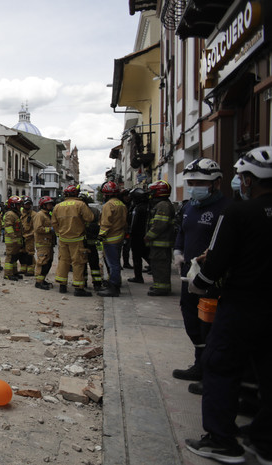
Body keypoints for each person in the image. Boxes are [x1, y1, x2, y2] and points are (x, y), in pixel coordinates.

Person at [184, 147, 272, 463]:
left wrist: (198, 283)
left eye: (241, 176)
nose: (240, 182)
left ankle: (221, 440)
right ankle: (264, 440)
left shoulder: (236, 212)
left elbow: (217, 261)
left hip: (241, 306)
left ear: (249, 179)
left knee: (220, 366)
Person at [171, 158, 231, 394]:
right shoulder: (189, 207)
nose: (194, 186)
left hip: (213, 279)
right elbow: (182, 233)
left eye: (199, 182)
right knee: (191, 319)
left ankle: (211, 372)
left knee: (211, 324)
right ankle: (199, 363)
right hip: (190, 276)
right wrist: (178, 251)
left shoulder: (225, 209)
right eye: (191, 182)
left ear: (215, 183)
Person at [51, 184, 95, 296]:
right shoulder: (80, 204)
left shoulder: (58, 206)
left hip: (63, 239)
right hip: (77, 239)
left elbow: (54, 223)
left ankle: (62, 285)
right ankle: (78, 288)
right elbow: (90, 218)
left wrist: (59, 234)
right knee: (78, 262)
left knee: (63, 261)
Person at [144, 180, 175, 296]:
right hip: (159, 243)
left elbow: (159, 225)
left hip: (161, 242)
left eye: (152, 191)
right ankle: (158, 285)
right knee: (157, 266)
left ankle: (162, 288)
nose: (151, 194)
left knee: (161, 266)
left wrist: (148, 236)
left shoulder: (163, 205)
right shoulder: (162, 204)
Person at [97, 181, 128, 297]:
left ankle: (113, 287)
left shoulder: (108, 205)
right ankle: (115, 283)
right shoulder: (121, 204)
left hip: (110, 239)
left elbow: (105, 223)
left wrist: (100, 235)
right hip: (119, 237)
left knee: (112, 264)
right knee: (115, 263)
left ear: (107, 194)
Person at [80, 194, 105, 292]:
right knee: (86, 264)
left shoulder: (93, 212)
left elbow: (99, 226)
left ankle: (93, 283)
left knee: (89, 264)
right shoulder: (94, 211)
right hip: (88, 243)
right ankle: (93, 283)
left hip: (87, 243)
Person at [127, 187, 151, 284]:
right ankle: (152, 267)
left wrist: (130, 232)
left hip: (138, 236)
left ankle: (138, 277)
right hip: (142, 235)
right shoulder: (145, 206)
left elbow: (135, 223)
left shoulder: (139, 208)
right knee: (144, 254)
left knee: (137, 256)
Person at [32, 196, 56, 290]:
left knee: (48, 262)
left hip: (49, 242)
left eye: (51, 204)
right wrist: (50, 229)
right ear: (44, 205)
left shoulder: (48, 215)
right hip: (42, 242)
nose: (51, 206)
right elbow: (38, 228)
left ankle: (42, 280)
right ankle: (38, 282)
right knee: (42, 262)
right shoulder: (40, 215)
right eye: (49, 204)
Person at [2, 196, 25, 281]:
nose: (20, 206)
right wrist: (14, 238)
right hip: (12, 240)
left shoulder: (16, 214)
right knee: (10, 257)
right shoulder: (10, 214)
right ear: (13, 205)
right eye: (18, 205)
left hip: (16, 239)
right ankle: (8, 274)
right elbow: (8, 227)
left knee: (15, 257)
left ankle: (14, 272)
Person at [20, 197, 36, 276]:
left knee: (29, 253)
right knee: (22, 253)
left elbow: (35, 228)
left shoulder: (34, 215)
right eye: (26, 204)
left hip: (29, 238)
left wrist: (28, 235)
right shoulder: (20, 213)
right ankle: (23, 268)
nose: (28, 206)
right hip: (21, 237)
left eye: (29, 204)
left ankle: (30, 269)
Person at [120, 189, 133, 269]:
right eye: (126, 196)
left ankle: (126, 263)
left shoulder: (131, 204)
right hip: (121, 228)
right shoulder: (121, 205)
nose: (127, 197)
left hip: (128, 228)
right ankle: (118, 263)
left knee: (126, 247)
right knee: (119, 247)